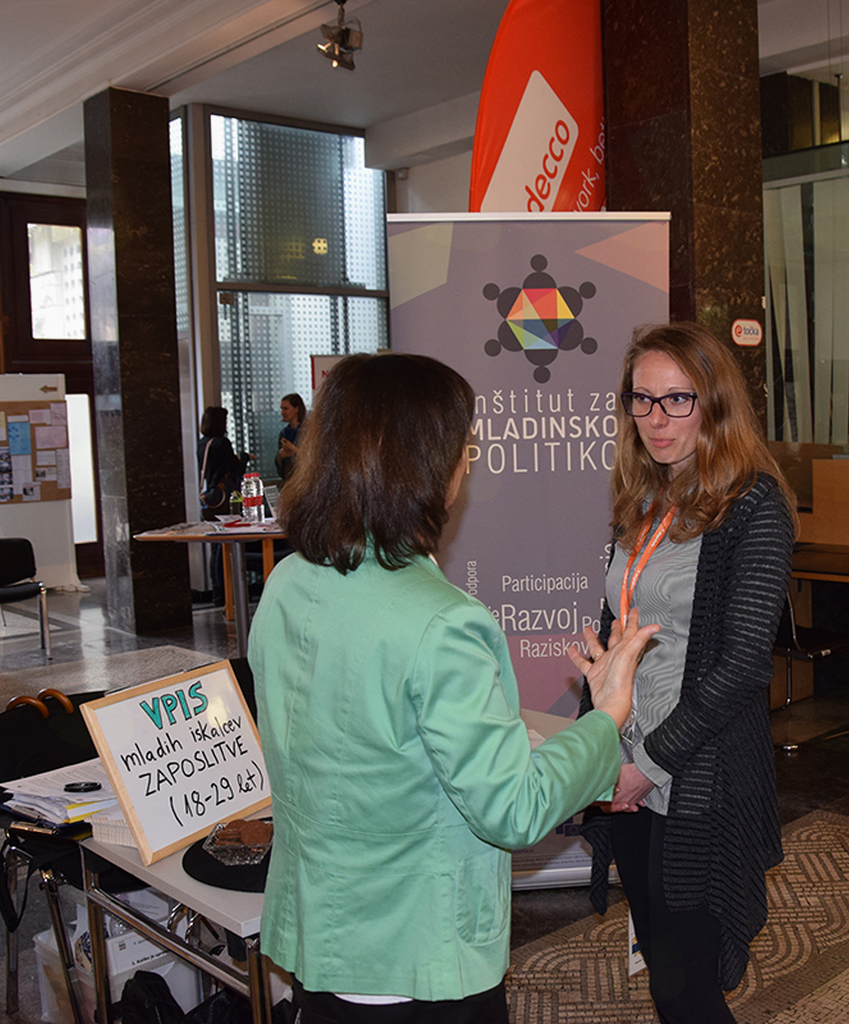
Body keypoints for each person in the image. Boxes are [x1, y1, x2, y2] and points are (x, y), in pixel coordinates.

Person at [248, 352, 660, 1023]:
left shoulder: (289, 582)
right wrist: (608, 714)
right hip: (418, 954)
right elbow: (514, 809)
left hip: (324, 937)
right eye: (462, 447)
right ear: (427, 465)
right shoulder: (443, 622)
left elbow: (366, 746)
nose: (466, 465)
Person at [577, 322, 797, 1023]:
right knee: (664, 969)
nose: (656, 419)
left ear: (715, 404)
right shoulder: (641, 499)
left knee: (687, 986)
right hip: (627, 768)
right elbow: (618, 629)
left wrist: (648, 765)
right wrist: (601, 748)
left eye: (677, 400)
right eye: (641, 400)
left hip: (697, 778)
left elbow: (742, 666)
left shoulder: (753, 505)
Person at [197, 406, 251, 602]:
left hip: (210, 498)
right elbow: (235, 469)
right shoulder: (221, 443)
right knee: (224, 545)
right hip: (223, 498)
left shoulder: (203, 443)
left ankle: (217, 589)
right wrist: (244, 458)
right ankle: (226, 589)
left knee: (215, 545)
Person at [274, 392, 306, 480]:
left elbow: (312, 459)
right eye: (281, 409)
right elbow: (280, 466)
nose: (282, 412)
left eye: (286, 409)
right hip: (288, 479)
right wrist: (280, 455)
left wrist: (293, 449)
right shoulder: (284, 433)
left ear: (296, 409)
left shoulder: (307, 430)